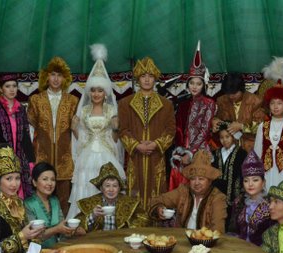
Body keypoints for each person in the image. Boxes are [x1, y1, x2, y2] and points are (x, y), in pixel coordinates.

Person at [67, 44, 125, 219]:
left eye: (100, 90)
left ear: (105, 93)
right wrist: (74, 129)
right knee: (85, 185)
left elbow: (115, 139)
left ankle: (106, 222)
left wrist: (116, 128)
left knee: (108, 186)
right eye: (93, 90)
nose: (96, 94)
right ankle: (83, 221)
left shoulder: (111, 110)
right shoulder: (84, 111)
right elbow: (82, 138)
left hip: (106, 154)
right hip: (87, 155)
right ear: (89, 92)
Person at [118, 56, 175, 208]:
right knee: (134, 191)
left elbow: (171, 130)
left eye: (150, 76)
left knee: (156, 190)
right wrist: (137, 145)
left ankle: (155, 218)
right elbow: (123, 130)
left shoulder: (166, 104)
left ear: (155, 78)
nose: (147, 79)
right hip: (135, 156)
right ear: (138, 78)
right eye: (143, 76)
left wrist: (155, 144)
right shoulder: (125, 103)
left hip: (156, 155)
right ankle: (135, 220)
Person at [27, 56, 79, 215]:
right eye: (53, 74)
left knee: (64, 198)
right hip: (43, 155)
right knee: (43, 196)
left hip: (65, 157)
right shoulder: (36, 100)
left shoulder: (73, 101)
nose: (56, 79)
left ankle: (63, 228)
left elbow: (77, 131)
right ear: (46, 77)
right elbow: (30, 130)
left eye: (60, 75)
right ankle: (43, 227)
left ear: (65, 78)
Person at [0, 146, 43, 253]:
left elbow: (27, 233)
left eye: (17, 178)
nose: (14, 184)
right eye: (8, 179)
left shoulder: (19, 202)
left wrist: (35, 235)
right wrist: (22, 236)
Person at [149, 150, 227, 233]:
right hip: (181, 238)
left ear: (209, 181)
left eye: (201, 179)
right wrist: (158, 209)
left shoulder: (217, 198)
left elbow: (218, 230)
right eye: (193, 179)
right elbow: (156, 200)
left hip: (206, 240)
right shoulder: (183, 191)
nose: (196, 183)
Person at [254, 59, 283, 193]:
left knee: (281, 197)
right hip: (266, 171)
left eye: (279, 103)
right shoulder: (263, 126)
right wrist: (256, 173)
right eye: (272, 103)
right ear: (268, 105)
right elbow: (257, 151)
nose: (275, 106)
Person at [0, 73, 35, 198]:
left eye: (14, 86)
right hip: (1, 160)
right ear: (1, 89)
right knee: (2, 196)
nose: (12, 89)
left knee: (20, 194)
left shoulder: (21, 109)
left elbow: (26, 136)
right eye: (8, 86)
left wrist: (30, 161)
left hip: (20, 160)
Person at [74, 162, 150, 232]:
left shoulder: (129, 202)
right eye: (107, 186)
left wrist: (128, 225)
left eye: (115, 186)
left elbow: (144, 218)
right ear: (101, 188)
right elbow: (78, 223)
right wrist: (93, 216)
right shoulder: (91, 202)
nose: (111, 189)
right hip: (98, 240)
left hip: (121, 239)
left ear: (119, 188)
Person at [175, 41, 216, 154]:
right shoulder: (183, 103)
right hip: (183, 149)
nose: (194, 87)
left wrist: (190, 151)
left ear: (203, 86)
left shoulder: (209, 103)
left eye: (198, 84)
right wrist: (180, 150)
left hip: (200, 150)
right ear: (188, 84)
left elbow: (204, 130)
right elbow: (178, 128)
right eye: (192, 83)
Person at [25, 161, 77, 249]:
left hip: (56, 249)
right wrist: (56, 229)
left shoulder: (54, 200)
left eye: (52, 179)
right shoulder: (28, 204)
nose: (50, 183)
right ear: (34, 182)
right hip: (38, 252)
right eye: (45, 179)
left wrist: (71, 230)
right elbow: (34, 236)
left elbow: (61, 227)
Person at [227, 151, 274, 246]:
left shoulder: (271, 204)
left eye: (255, 180)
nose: (250, 184)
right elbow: (233, 230)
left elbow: (274, 235)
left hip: (262, 250)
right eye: (246, 181)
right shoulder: (239, 201)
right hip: (240, 248)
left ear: (263, 182)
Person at [212, 72, 265, 151]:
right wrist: (214, 121)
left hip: (250, 145)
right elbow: (218, 118)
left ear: (242, 89)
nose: (231, 96)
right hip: (228, 145)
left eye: (234, 93)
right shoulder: (221, 100)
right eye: (228, 93)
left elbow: (262, 127)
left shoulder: (255, 101)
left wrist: (242, 126)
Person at [212, 127, 247, 212]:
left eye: (227, 137)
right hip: (217, 195)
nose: (224, 140)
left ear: (233, 137)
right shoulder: (215, 153)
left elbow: (244, 174)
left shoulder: (241, 153)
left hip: (234, 194)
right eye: (222, 137)